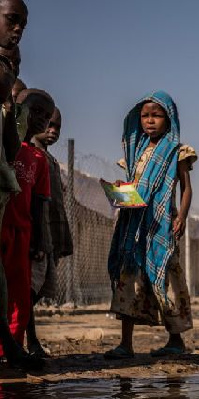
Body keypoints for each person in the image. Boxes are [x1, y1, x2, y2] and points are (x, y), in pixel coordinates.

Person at [104, 91, 196, 360]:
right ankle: (126, 344)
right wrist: (120, 192)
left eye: (156, 115)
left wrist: (182, 217)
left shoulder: (177, 151)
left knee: (164, 279)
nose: (150, 121)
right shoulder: (136, 152)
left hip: (161, 224)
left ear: (169, 119)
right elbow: (136, 185)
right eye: (145, 116)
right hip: (133, 225)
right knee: (128, 278)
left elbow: (186, 188)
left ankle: (175, 340)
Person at [0, 88, 53, 360]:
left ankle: (11, 347)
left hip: (22, 232)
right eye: (36, 110)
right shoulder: (4, 145)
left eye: (47, 115)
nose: (42, 119)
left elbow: (39, 203)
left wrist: (38, 240)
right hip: (1, 225)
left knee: (20, 295)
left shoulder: (38, 159)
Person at [27, 107, 73, 357]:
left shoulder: (50, 160)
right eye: (49, 124)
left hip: (49, 236)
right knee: (29, 292)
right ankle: (29, 341)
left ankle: (30, 341)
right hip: (37, 237)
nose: (53, 130)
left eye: (58, 127)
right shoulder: (31, 155)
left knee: (37, 291)